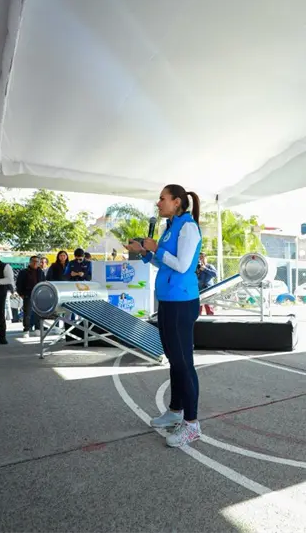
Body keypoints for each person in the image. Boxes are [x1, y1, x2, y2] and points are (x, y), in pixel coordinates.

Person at [126, 184, 203, 448]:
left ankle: (192, 425)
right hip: (169, 301)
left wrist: (157, 248)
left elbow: (182, 265)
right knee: (174, 359)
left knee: (184, 363)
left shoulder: (188, 227)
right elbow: (165, 261)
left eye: (162, 198)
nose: (158, 203)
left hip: (182, 302)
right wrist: (147, 253)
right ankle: (175, 410)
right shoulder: (171, 226)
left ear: (177, 202)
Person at [16, 255, 45, 337]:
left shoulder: (41, 272)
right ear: (30, 262)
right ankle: (26, 330)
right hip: (27, 294)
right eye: (33, 261)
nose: (35, 263)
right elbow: (19, 284)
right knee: (27, 313)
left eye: (37, 261)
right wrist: (21, 293)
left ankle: (38, 328)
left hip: (39, 295)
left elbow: (43, 283)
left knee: (39, 312)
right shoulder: (23, 272)